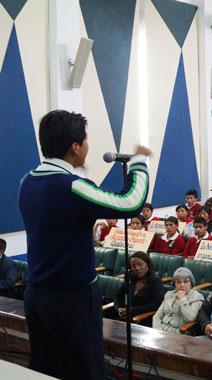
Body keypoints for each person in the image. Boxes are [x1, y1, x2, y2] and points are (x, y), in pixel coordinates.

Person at [18, 110, 151, 379]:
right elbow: (130, 202)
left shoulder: (27, 181)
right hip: (71, 299)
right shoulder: (72, 186)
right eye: (86, 141)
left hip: (36, 294)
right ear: (75, 147)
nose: (88, 146)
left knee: (47, 369)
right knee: (85, 370)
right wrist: (139, 163)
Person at [114, 252, 165, 327]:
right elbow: (117, 297)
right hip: (124, 318)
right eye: (133, 266)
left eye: (140, 264)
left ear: (147, 264)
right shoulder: (129, 279)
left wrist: (132, 310)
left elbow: (156, 304)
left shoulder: (156, 281)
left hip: (143, 320)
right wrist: (118, 309)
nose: (137, 268)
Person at [152, 267, 204, 334]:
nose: (182, 285)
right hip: (161, 330)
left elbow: (191, 318)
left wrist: (182, 299)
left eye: (186, 281)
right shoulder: (169, 294)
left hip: (180, 333)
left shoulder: (197, 297)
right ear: (174, 284)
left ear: (191, 283)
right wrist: (157, 330)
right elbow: (157, 316)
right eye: (178, 282)